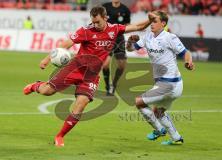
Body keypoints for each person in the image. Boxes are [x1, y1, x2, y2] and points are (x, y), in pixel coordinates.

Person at [23, 6, 158, 147]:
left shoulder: (114, 29)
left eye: (98, 22)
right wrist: (47, 59)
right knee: (47, 91)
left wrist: (150, 20)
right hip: (75, 69)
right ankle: (35, 86)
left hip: (91, 76)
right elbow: (66, 44)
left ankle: (60, 136)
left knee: (81, 105)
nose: (95, 25)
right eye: (93, 22)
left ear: (105, 18)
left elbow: (137, 26)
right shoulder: (86, 31)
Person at [127, 11, 194, 145]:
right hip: (170, 85)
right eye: (151, 21)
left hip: (169, 84)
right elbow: (130, 49)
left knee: (138, 102)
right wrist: (129, 41)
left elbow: (185, 52)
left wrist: (189, 62)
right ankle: (176, 138)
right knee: (158, 112)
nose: (152, 24)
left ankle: (159, 130)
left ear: (163, 23)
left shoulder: (170, 37)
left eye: (155, 21)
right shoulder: (147, 37)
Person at [102, 0, 131, 96]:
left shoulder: (125, 9)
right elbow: (99, 21)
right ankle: (108, 86)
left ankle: (114, 84)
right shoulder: (105, 7)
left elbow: (127, 25)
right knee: (105, 64)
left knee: (122, 65)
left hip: (119, 39)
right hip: (107, 39)